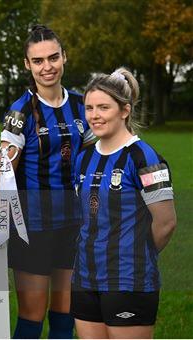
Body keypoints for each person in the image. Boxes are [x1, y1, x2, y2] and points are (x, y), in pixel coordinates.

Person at [0, 25, 96, 338]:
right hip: (33, 226)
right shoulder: (20, 112)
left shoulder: (83, 105)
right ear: (27, 65)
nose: (47, 66)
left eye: (53, 57)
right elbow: (5, 174)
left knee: (66, 311)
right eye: (38, 61)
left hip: (74, 224)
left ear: (64, 57)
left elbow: (97, 162)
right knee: (32, 314)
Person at [71, 67, 177, 338]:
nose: (95, 115)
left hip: (129, 280)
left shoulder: (144, 157)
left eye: (104, 107)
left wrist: (137, 254)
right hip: (85, 278)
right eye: (89, 107)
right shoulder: (82, 157)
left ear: (125, 110)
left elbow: (166, 223)